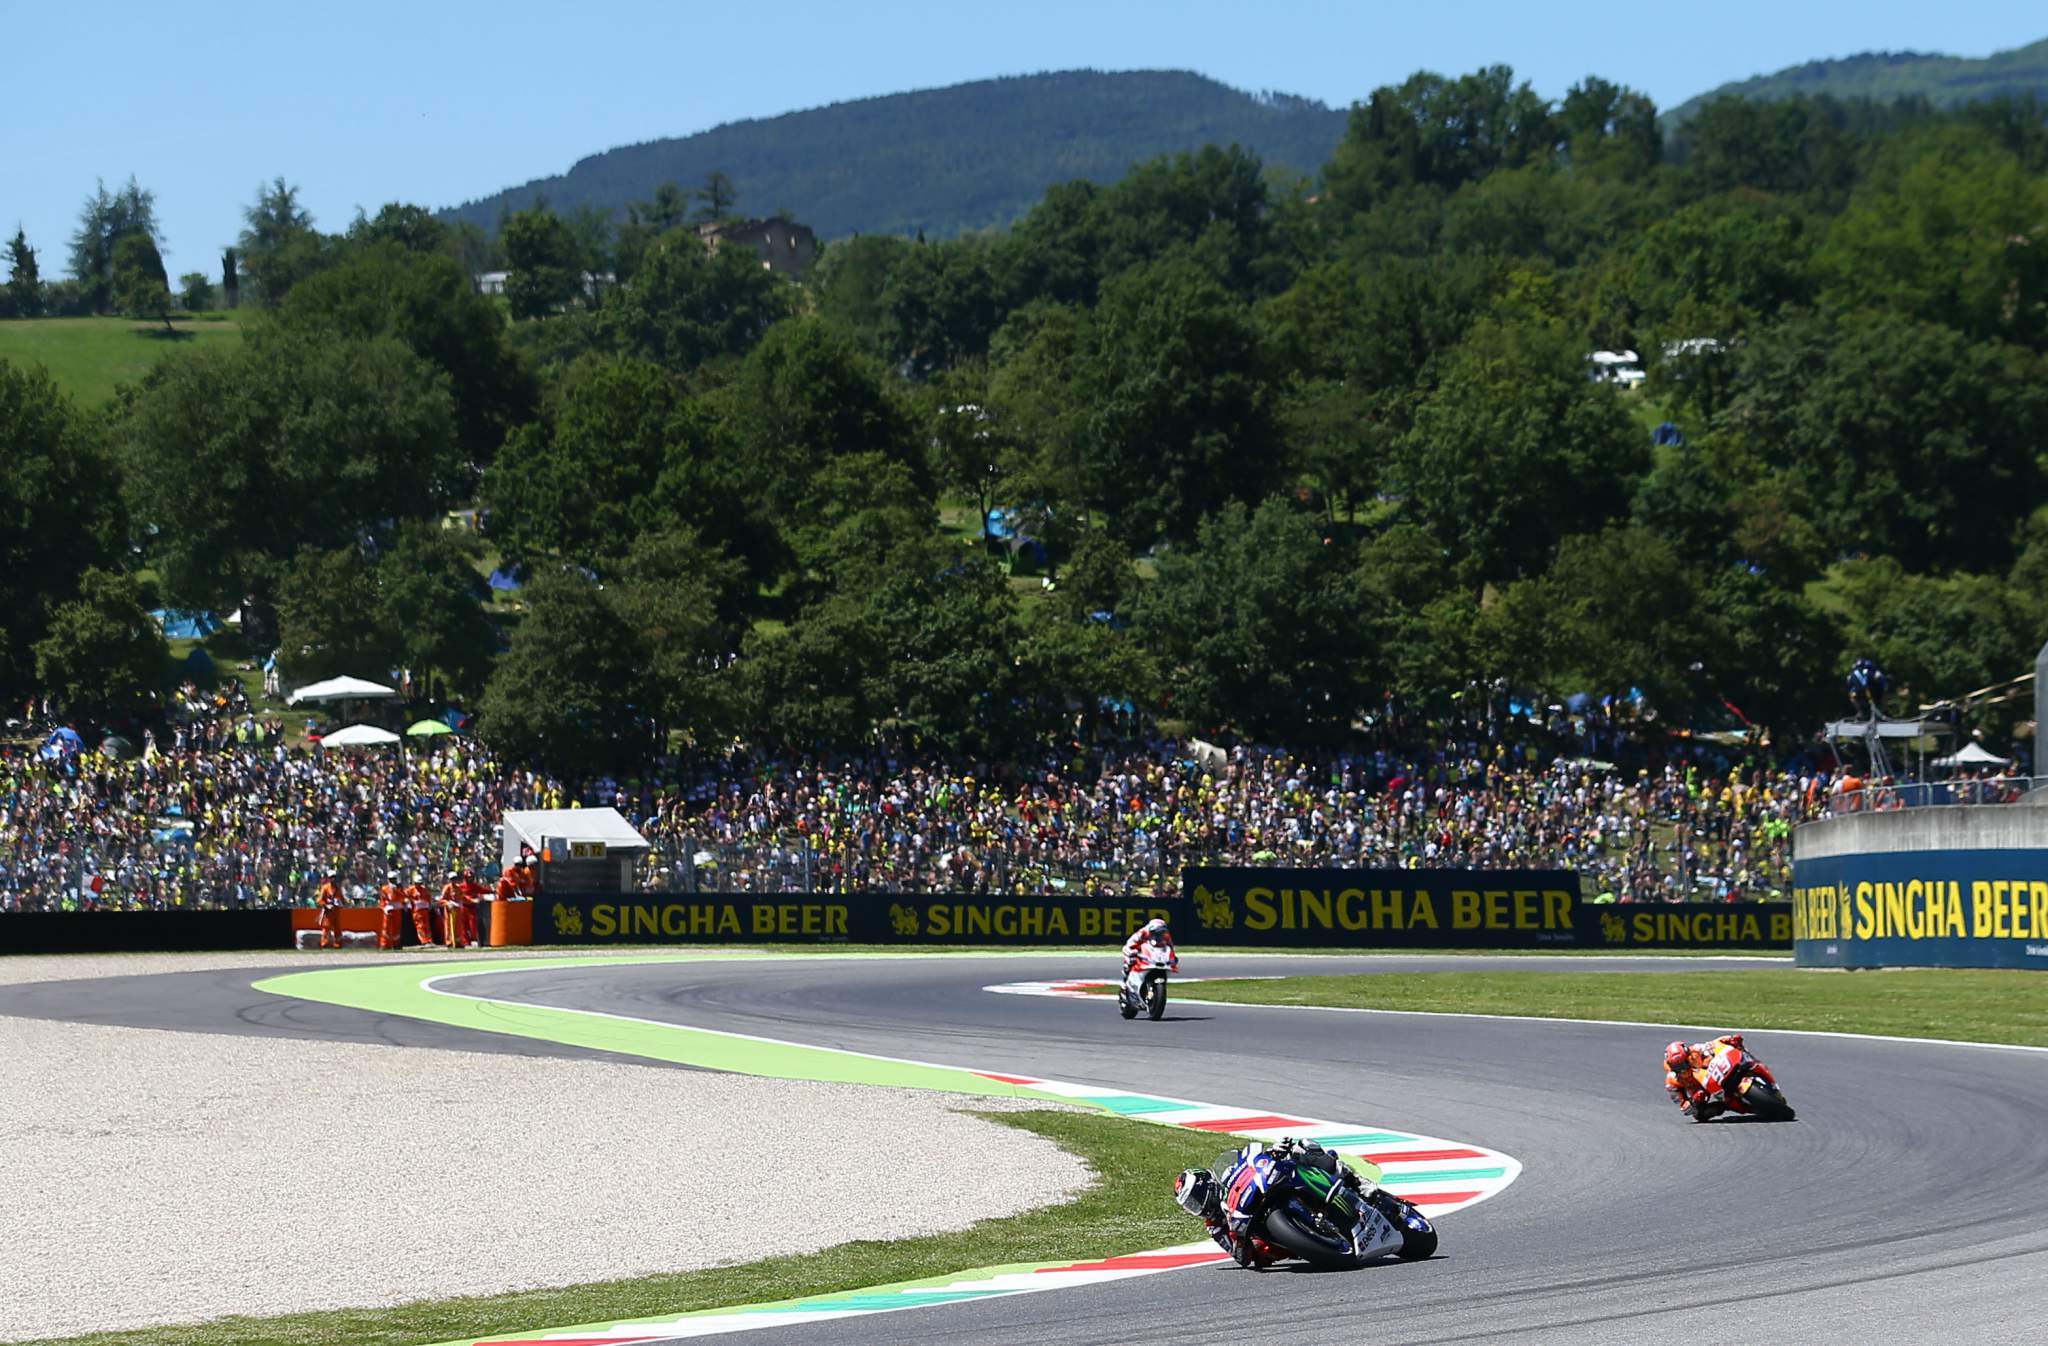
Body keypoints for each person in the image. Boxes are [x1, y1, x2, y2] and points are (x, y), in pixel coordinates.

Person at [1175, 1137, 1366, 1268]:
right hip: (1277, 1242)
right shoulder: (1214, 1226)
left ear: (1207, 1187)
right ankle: (1314, 1241)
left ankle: (1354, 1181)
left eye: (1195, 1200)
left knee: (1302, 1148)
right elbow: (1240, 1258)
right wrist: (1237, 1238)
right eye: (1191, 1206)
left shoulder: (1227, 1174)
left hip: (1263, 1191)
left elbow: (1250, 1159)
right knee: (1259, 1248)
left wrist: (1274, 1151)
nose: (1198, 1207)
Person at [1663, 1034, 1747, 1119]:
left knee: (1730, 1043)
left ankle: (1745, 1060)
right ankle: (1726, 1105)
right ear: (1671, 1066)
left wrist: (1727, 1040)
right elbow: (1680, 1101)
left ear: (1688, 1055)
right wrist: (1687, 1104)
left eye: (1683, 1063)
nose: (1682, 1069)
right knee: (1698, 1114)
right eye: (1677, 1067)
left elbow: (1712, 1045)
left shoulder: (1696, 1049)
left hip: (1714, 1072)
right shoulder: (1671, 1080)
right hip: (1700, 1090)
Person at [315, 869, 345, 950]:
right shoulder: (325, 888)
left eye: (335, 877)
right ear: (328, 878)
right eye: (332, 877)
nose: (334, 879)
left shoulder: (338, 888)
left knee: (337, 928)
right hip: (328, 911)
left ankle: (338, 944)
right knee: (326, 927)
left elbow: (342, 898)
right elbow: (319, 900)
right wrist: (326, 906)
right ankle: (324, 943)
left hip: (337, 910)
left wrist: (343, 902)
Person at [376, 871, 405, 951]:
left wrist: (398, 890)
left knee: (397, 928)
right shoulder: (385, 888)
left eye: (394, 879)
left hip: (397, 908)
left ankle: (396, 944)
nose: (393, 881)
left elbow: (403, 897)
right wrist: (384, 908)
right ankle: (384, 944)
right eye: (391, 879)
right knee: (386, 928)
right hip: (389, 908)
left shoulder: (400, 888)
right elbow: (383, 899)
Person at [406, 873, 436, 948]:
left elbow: (428, 897)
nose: (419, 885)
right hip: (417, 911)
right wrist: (409, 902)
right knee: (420, 926)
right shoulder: (411, 889)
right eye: (417, 883)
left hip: (425, 911)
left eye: (420, 883)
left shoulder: (424, 889)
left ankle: (429, 940)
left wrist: (429, 904)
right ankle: (424, 941)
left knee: (427, 926)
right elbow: (406, 897)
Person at [438, 870, 466, 950]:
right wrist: (448, 903)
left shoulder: (458, 888)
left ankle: (458, 941)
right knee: (449, 926)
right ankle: (449, 942)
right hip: (450, 910)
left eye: (455, 878)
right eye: (452, 879)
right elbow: (441, 900)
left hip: (458, 910)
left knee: (459, 926)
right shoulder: (447, 888)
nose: (454, 880)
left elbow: (462, 897)